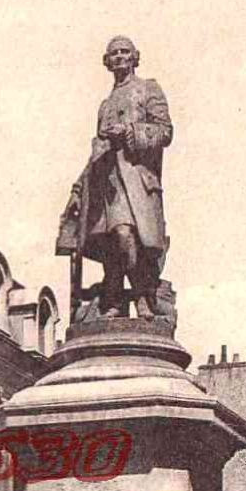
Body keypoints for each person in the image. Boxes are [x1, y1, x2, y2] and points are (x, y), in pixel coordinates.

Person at [56, 35, 174, 321]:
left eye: (125, 52)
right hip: (106, 184)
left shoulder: (148, 89)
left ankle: (142, 296)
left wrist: (130, 132)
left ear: (135, 57)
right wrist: (76, 190)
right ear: (107, 62)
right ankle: (114, 302)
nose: (119, 57)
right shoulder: (105, 105)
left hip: (136, 182)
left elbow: (165, 132)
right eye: (114, 54)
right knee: (112, 243)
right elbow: (97, 150)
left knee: (126, 236)